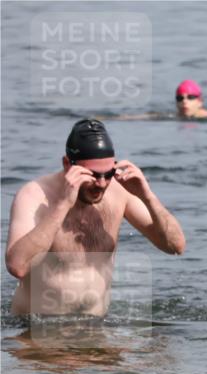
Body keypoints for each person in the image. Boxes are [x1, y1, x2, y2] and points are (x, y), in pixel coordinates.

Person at [5, 119, 186, 316]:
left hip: (96, 330)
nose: (101, 184)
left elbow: (175, 246)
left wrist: (147, 196)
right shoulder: (35, 195)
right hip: (37, 330)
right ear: (67, 164)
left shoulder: (119, 192)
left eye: (108, 174)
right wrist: (63, 205)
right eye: (92, 175)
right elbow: (17, 266)